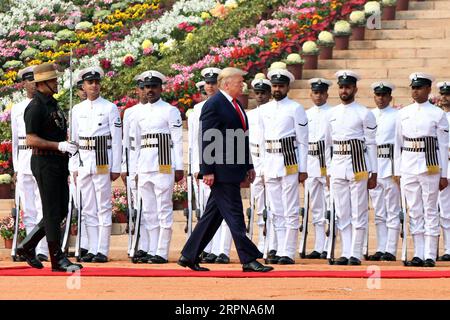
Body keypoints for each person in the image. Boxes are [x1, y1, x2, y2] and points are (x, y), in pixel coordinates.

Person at [178, 67, 273, 272]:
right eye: (240, 81)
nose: (243, 85)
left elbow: (241, 138)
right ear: (227, 84)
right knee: (235, 215)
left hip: (233, 167)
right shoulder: (215, 104)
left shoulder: (235, 104)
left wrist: (248, 165)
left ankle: (189, 255)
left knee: (213, 216)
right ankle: (248, 259)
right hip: (221, 170)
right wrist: (208, 170)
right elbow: (207, 139)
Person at [17, 62, 82, 272]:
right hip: (44, 162)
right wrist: (58, 145)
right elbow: (31, 140)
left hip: (57, 161)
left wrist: (67, 145)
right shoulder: (35, 107)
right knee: (52, 210)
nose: (57, 82)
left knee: (61, 208)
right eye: (53, 80)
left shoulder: (52, 104)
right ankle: (57, 258)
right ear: (42, 83)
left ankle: (27, 246)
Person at [394, 73, 449, 267]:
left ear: (428, 90)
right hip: (409, 163)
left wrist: (444, 174)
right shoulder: (403, 113)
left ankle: (430, 254)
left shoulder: (437, 114)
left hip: (430, 164)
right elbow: (397, 143)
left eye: (419, 88)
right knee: (415, 209)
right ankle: (418, 252)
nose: (415, 91)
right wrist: (398, 170)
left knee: (430, 209)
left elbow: (442, 145)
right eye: (413, 88)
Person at [70, 66, 122, 263]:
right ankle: (91, 247)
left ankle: (102, 249)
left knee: (103, 206)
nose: (94, 85)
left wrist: (116, 167)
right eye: (90, 82)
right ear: (83, 86)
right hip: (84, 160)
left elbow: (117, 139)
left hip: (102, 158)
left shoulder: (109, 107)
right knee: (87, 207)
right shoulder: (77, 109)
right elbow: (74, 140)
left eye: (96, 82)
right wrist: (74, 165)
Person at [324, 70, 378, 266]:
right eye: (341, 87)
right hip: (338, 164)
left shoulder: (365, 113)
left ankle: (356, 252)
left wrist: (374, 172)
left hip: (358, 165)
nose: (344, 90)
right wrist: (328, 171)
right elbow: (328, 144)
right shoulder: (332, 114)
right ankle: (345, 251)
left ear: (355, 88)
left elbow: (371, 144)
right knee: (342, 211)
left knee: (358, 210)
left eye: (347, 87)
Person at [258, 68, 309, 265]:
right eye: (275, 86)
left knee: (290, 208)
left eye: (281, 86)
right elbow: (261, 141)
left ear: (288, 87)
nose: (277, 89)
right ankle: (277, 248)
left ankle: (288, 251)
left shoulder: (296, 108)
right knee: (275, 209)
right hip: (270, 160)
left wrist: (303, 169)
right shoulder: (264, 110)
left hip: (289, 160)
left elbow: (303, 141)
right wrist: (261, 167)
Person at [134, 70, 184, 264]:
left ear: (161, 88)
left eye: (154, 87)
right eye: (147, 87)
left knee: (163, 208)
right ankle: (152, 249)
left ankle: (162, 251)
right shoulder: (140, 113)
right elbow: (137, 143)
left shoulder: (170, 111)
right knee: (148, 211)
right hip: (145, 164)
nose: (150, 90)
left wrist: (178, 166)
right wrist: (136, 168)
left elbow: (177, 140)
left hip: (164, 163)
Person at [189, 67, 233, 264]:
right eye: (207, 83)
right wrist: (196, 166)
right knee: (207, 210)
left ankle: (222, 250)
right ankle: (207, 249)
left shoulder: (228, 106)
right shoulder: (197, 110)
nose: (210, 86)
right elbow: (194, 142)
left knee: (224, 209)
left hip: (222, 165)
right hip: (204, 168)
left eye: (213, 82)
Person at [11, 66, 49, 262]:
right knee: (28, 209)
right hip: (24, 161)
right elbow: (15, 142)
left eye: (36, 81)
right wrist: (16, 167)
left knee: (43, 206)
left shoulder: (45, 105)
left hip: (41, 158)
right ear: (23, 84)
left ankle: (42, 249)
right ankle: (30, 247)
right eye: (29, 81)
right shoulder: (17, 108)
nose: (33, 85)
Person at [367, 81, 401, 261]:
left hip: (390, 165)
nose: (380, 98)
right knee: (379, 211)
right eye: (378, 95)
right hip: (374, 166)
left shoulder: (397, 115)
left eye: (384, 95)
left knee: (392, 210)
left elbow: (400, 144)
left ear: (390, 97)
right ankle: (381, 247)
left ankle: (391, 249)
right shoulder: (370, 114)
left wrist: (398, 168)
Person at [121, 71, 151, 262]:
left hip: (147, 164)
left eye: (146, 87)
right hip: (132, 164)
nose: (143, 91)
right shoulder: (130, 113)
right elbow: (126, 143)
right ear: (137, 90)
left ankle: (146, 245)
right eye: (141, 88)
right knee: (136, 207)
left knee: (147, 206)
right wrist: (125, 166)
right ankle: (137, 243)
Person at [304, 78, 333, 260]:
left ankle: (329, 246)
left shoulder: (332, 112)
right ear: (311, 94)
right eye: (316, 92)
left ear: (327, 94)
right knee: (316, 206)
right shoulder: (305, 114)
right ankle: (318, 244)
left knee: (330, 205)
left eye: (322, 92)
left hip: (327, 160)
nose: (319, 95)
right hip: (311, 161)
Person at [247, 76, 274, 255]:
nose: (260, 96)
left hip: (271, 160)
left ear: (269, 94)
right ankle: (261, 241)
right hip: (255, 160)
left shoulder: (274, 112)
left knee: (273, 206)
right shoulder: (250, 115)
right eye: (257, 93)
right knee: (258, 206)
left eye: (263, 93)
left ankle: (272, 242)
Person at [437, 81, 450, 261]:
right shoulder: (437, 116)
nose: (445, 97)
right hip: (442, 165)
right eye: (443, 93)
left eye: (448, 94)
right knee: (444, 210)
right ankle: (448, 249)